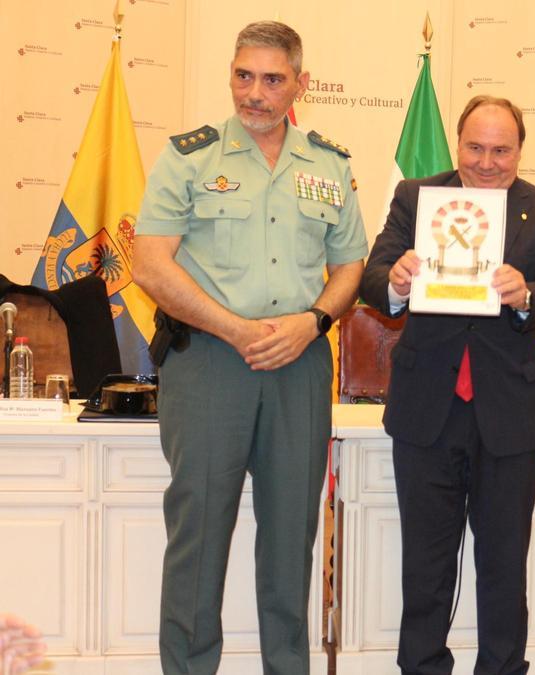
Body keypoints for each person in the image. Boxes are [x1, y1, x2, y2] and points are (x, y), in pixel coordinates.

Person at [132, 21, 367, 675]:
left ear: (301, 83)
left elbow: (351, 264)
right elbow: (151, 264)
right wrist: (234, 328)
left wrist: (315, 320)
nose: (254, 93)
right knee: (199, 533)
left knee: (292, 536)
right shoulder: (190, 157)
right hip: (211, 364)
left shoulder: (328, 165)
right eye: (243, 75)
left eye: (271, 79)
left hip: (299, 365)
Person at [359, 95, 535, 675]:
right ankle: (423, 667)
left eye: (501, 150)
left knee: (505, 563)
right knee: (425, 563)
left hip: (510, 414)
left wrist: (526, 294)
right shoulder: (416, 199)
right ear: (457, 144)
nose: (486, 162)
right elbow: (373, 281)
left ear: (520, 151)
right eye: (475, 147)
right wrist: (398, 284)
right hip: (428, 409)